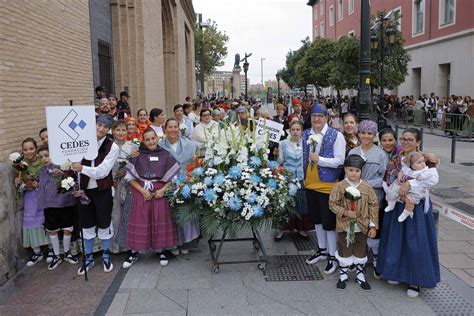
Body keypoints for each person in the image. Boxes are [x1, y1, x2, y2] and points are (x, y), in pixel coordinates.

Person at [377, 128, 440, 298]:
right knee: (397, 239)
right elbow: (389, 176)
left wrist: (410, 186)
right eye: (403, 138)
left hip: (416, 204)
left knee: (415, 241)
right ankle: (395, 272)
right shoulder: (396, 157)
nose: (406, 142)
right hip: (397, 202)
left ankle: (416, 279)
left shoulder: (424, 159)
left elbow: (430, 180)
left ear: (418, 142)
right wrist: (397, 190)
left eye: (410, 139)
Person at [122, 128, 180, 268]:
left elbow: (173, 177)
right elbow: (129, 178)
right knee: (139, 219)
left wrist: (163, 190)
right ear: (143, 141)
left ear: (157, 138)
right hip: (141, 192)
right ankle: (134, 252)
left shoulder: (165, 154)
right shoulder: (137, 155)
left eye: (153, 138)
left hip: (160, 191)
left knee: (160, 218)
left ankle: (162, 250)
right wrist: (143, 191)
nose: (151, 141)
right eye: (147, 139)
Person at [71, 114, 120, 275]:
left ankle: (106, 255)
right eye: (98, 125)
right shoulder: (80, 142)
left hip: (102, 191)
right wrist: (73, 181)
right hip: (84, 191)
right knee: (87, 224)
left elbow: (103, 171)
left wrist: (82, 168)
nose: (101, 129)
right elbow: (71, 165)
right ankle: (89, 257)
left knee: (105, 222)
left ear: (109, 129)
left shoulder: (111, 146)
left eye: (105, 127)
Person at [303, 103, 346, 275]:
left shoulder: (336, 135)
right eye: (314, 116)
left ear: (326, 118)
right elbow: (303, 158)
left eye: (320, 116)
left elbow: (340, 160)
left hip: (327, 185)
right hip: (310, 183)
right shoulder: (306, 133)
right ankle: (321, 250)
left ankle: (332, 256)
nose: (317, 119)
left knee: (329, 224)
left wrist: (319, 160)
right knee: (317, 221)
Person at [329, 154, 378, 291]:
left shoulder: (367, 188)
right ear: (345, 169)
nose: (354, 173)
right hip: (344, 225)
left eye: (357, 171)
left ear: (361, 171)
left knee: (361, 250)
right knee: (345, 249)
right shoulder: (339, 186)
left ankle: (360, 275)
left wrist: (373, 226)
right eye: (351, 170)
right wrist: (344, 212)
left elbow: (373, 206)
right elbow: (332, 204)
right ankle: (343, 275)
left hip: (362, 226)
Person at [348, 120, 388, 278]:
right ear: (358, 133)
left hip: (374, 200)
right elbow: (347, 174)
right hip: (355, 200)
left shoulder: (380, 154)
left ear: (374, 135)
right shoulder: (353, 152)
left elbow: (383, 179)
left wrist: (363, 184)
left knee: (373, 231)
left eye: (369, 133)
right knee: (357, 230)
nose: (366, 136)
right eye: (363, 132)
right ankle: (358, 260)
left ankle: (376, 259)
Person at [160, 118, 200, 254]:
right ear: (164, 129)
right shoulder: (159, 146)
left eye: (175, 127)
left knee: (186, 213)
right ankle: (172, 243)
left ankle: (187, 243)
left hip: (186, 182)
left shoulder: (189, 145)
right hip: (167, 183)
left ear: (179, 128)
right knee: (169, 215)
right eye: (169, 127)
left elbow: (194, 164)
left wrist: (190, 180)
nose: (172, 130)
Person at [37, 145, 79, 270]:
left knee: (67, 228)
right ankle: (56, 255)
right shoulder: (42, 171)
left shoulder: (63, 166)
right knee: (52, 229)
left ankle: (67, 252)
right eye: (41, 157)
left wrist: (63, 174)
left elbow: (73, 183)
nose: (44, 159)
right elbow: (40, 185)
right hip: (49, 205)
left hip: (64, 203)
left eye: (46, 155)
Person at [15, 138, 51, 266]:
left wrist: (38, 184)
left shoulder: (43, 163)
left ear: (36, 148)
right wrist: (21, 184)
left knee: (46, 220)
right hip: (30, 198)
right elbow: (20, 186)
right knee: (30, 221)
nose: (28, 151)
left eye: (31, 148)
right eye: (25, 149)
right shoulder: (21, 166)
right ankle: (37, 252)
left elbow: (50, 182)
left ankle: (51, 250)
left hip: (43, 197)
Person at [275, 120, 312, 241]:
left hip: (302, 177)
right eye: (293, 130)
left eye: (298, 129)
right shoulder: (282, 143)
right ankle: (281, 229)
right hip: (288, 177)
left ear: (302, 131)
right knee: (286, 203)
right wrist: (276, 154)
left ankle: (301, 228)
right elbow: (280, 161)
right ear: (289, 131)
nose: (295, 132)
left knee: (301, 204)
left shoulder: (307, 144)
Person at [384, 151, 438, 222]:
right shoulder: (408, 167)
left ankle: (407, 212)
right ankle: (391, 202)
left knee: (410, 201)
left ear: (418, 142)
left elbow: (432, 178)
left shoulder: (425, 170)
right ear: (411, 165)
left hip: (415, 193)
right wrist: (400, 179)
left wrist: (412, 182)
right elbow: (402, 171)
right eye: (419, 163)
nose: (422, 164)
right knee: (392, 191)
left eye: (423, 162)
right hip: (400, 190)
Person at [110, 121, 139, 253]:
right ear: (112, 131)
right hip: (113, 185)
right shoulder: (109, 147)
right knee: (115, 215)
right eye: (117, 130)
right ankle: (115, 245)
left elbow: (137, 165)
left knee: (129, 214)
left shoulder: (133, 147)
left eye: (123, 130)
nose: (120, 133)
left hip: (129, 185)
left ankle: (129, 245)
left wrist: (126, 170)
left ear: (128, 132)